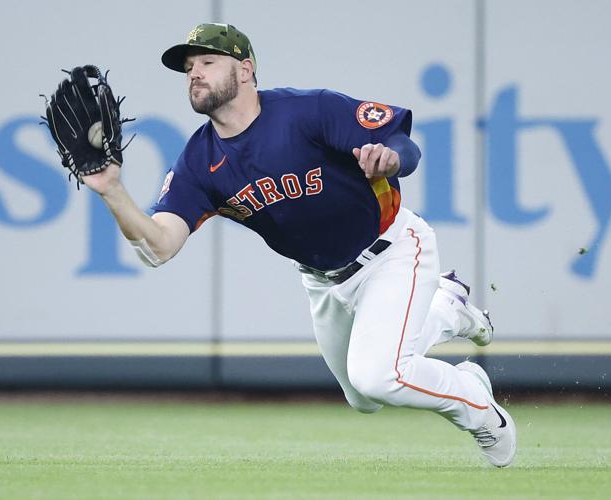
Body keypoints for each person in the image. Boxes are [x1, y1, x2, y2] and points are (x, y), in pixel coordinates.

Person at [82, 23, 516, 467]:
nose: (195, 73)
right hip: (321, 281)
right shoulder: (198, 162)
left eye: (208, 62)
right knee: (362, 396)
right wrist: (112, 190)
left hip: (393, 250)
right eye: (189, 67)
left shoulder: (306, 111)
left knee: (380, 376)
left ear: (246, 69)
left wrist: (392, 158)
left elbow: (400, 142)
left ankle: (482, 411)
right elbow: (159, 246)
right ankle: (446, 307)